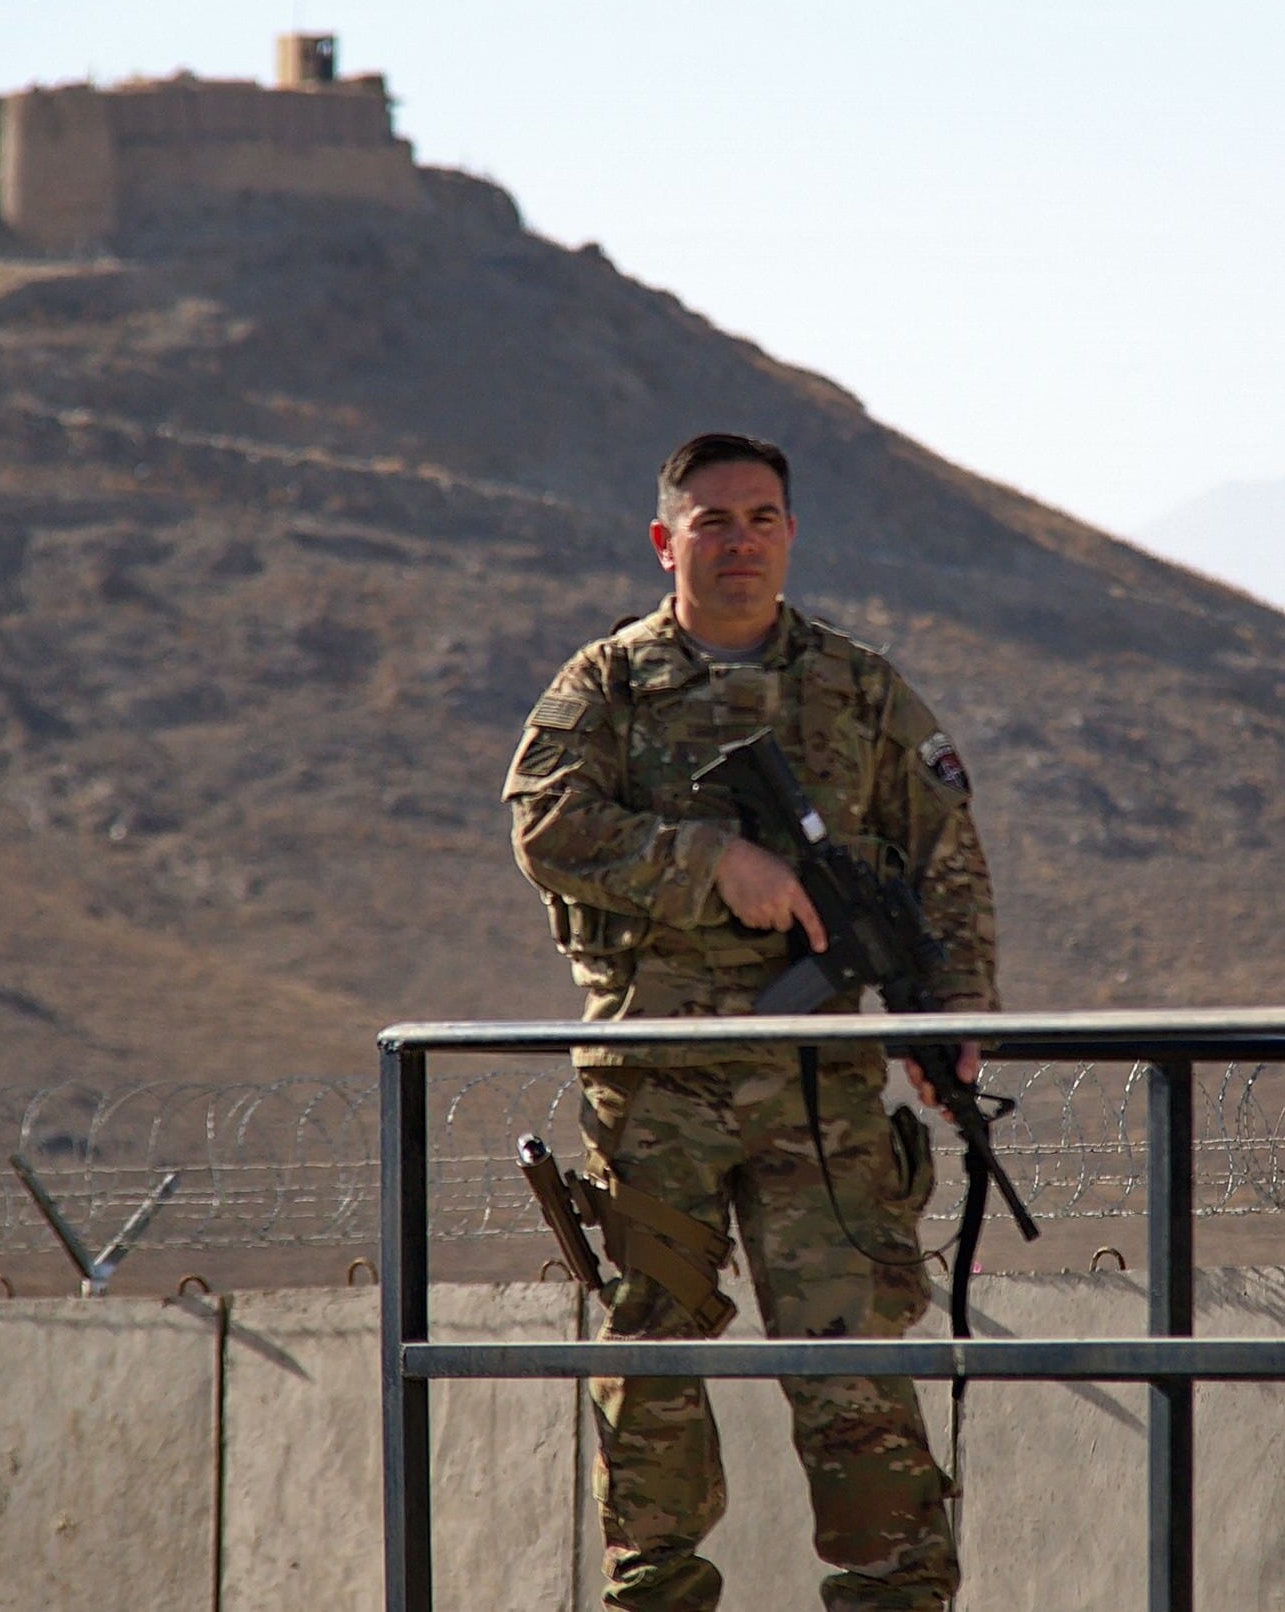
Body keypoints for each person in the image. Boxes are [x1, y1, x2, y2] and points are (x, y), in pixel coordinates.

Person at [502, 432, 999, 1612]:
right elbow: (544, 822)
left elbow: (946, 861)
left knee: (850, 1355)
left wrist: (954, 1017)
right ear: (666, 540)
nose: (739, 541)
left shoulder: (858, 686)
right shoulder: (609, 684)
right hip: (657, 1085)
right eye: (713, 521)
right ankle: (655, 1587)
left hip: (819, 1090)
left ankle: (893, 1587)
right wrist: (706, 861)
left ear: (790, 534)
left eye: (762, 517)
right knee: (653, 1349)